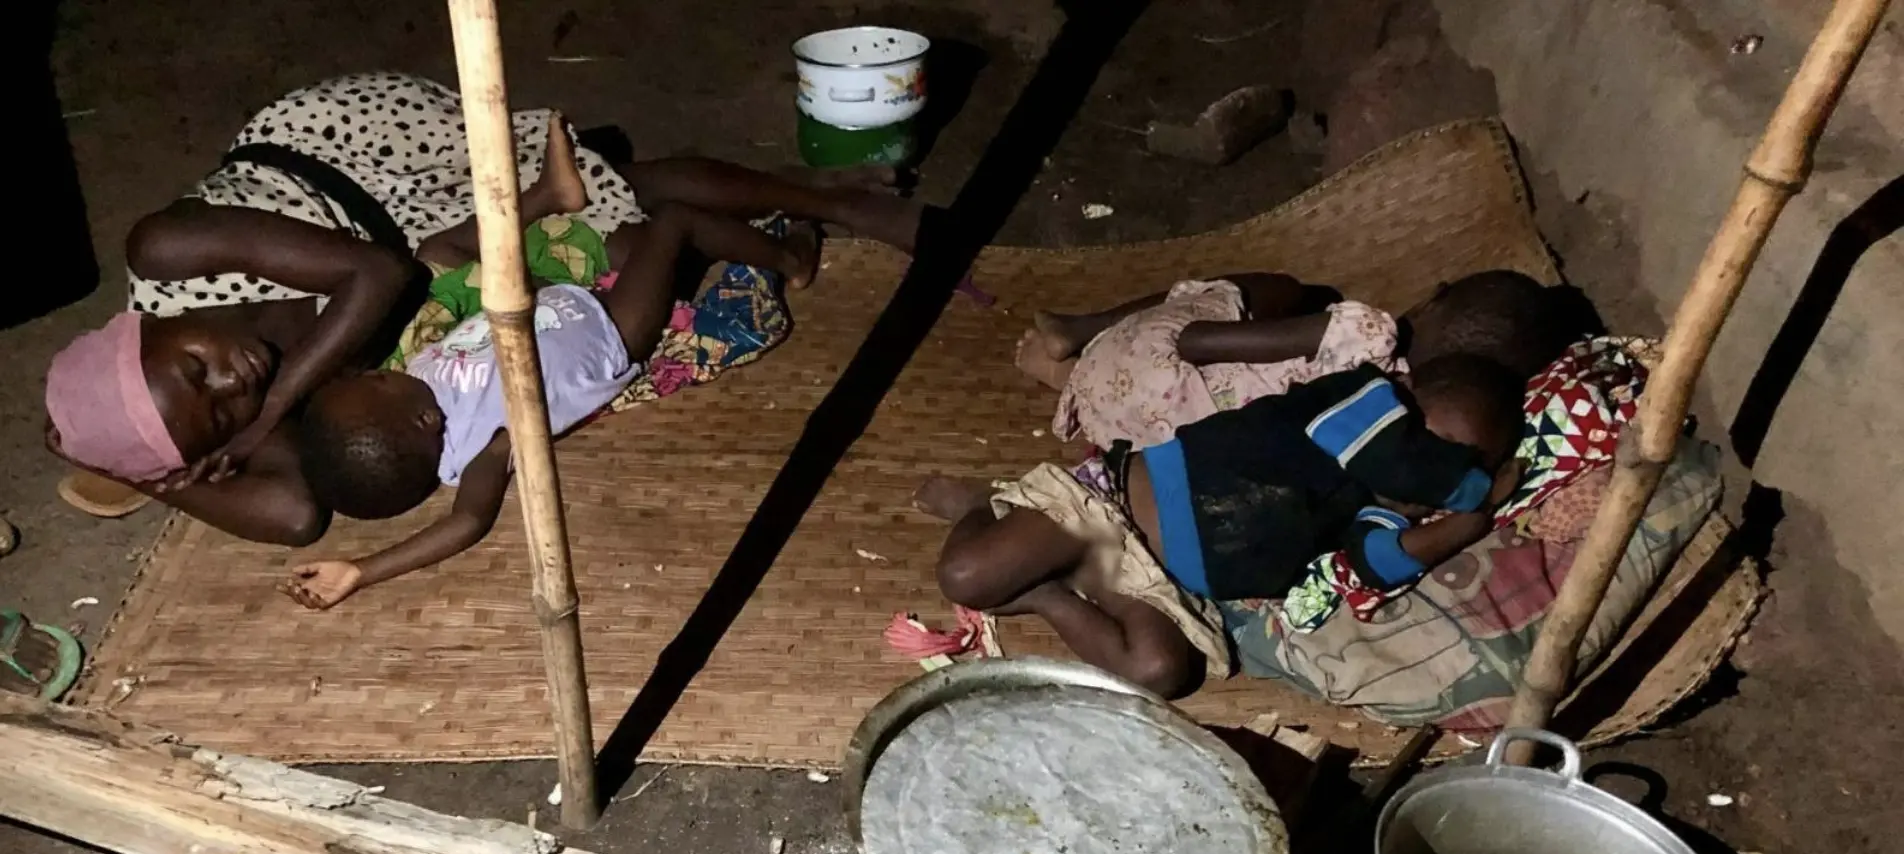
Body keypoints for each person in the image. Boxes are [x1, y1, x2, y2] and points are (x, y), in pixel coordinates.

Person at [42, 72, 920, 544]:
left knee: (608, 196)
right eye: (220, 409)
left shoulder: (165, 249)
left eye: (197, 366)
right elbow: (298, 516)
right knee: (618, 253)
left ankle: (835, 199)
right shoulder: (231, 420)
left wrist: (267, 410)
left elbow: (374, 276)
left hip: (358, 168)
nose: (235, 379)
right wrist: (147, 479)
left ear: (148, 328)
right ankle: (783, 220)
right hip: (419, 252)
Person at [277, 199, 817, 611]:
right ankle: (788, 256)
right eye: (378, 382)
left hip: (551, 299)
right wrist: (362, 571)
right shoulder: (481, 444)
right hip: (612, 332)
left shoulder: (414, 392)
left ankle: (558, 196)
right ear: (423, 421)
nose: (380, 372)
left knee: (451, 254)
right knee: (673, 224)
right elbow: (466, 522)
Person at [918, 354, 1526, 697]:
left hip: (1142, 582)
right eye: (1439, 446)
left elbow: (1376, 561)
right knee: (966, 577)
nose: (1439, 469)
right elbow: (1396, 456)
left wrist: (1471, 523)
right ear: (1408, 399)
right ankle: (978, 505)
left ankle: (1049, 592)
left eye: (1464, 462)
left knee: (1158, 673)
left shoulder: (1377, 500)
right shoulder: (1356, 402)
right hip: (1098, 516)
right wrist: (1468, 486)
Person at [1017, 268, 1575, 451]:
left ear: (1432, 298)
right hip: (1142, 446)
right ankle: (1071, 380)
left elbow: (1194, 345)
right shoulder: (1393, 426)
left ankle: (1083, 334)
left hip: (1141, 369)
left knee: (1278, 290)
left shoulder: (1367, 331)